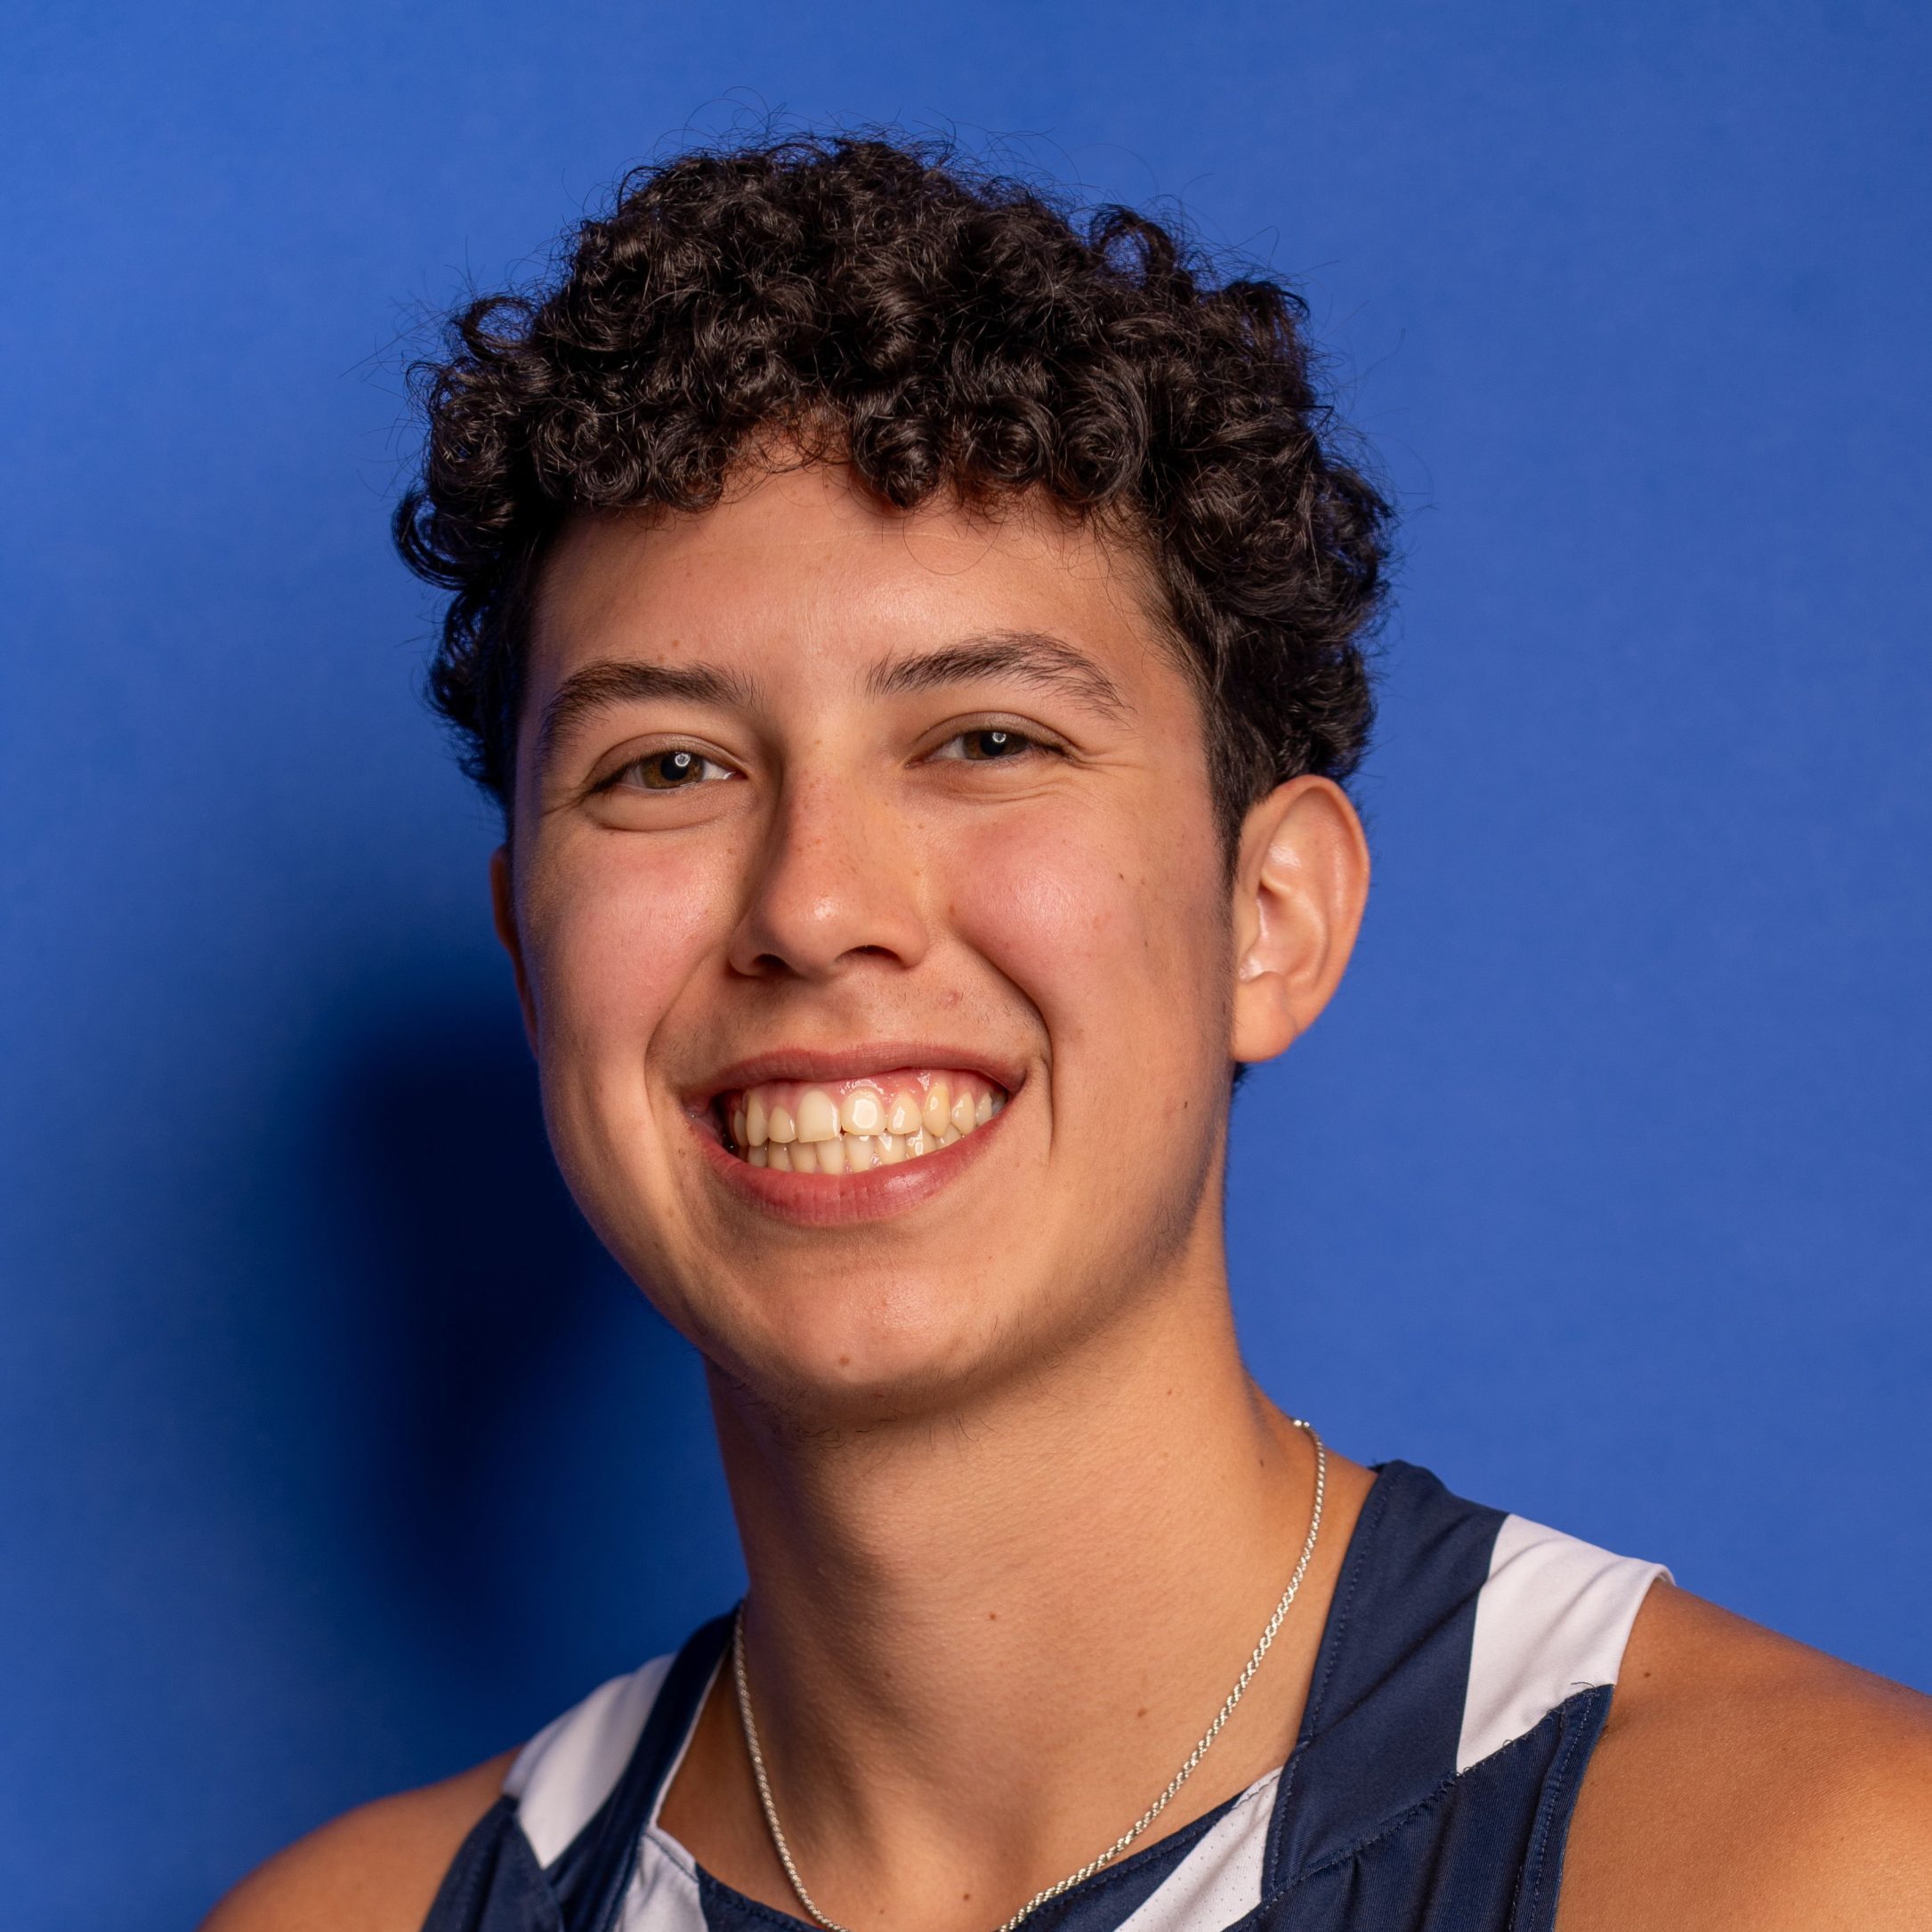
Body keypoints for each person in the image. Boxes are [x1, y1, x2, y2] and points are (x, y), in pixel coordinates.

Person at [204, 134, 1932, 1932]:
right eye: (670, 767)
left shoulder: (1816, 1873)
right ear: (531, 957)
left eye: (986, 740)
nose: (814, 905)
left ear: (1272, 916)